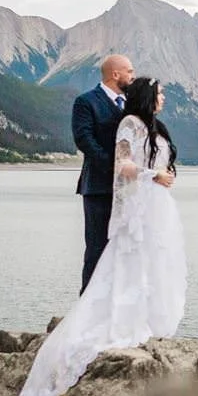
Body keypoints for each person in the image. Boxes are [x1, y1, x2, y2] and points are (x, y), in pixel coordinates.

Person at [19, 76, 185, 396]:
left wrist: (167, 174)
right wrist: (155, 175)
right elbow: (123, 165)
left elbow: (155, 161)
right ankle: (119, 319)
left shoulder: (156, 126)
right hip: (141, 205)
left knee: (158, 259)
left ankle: (150, 317)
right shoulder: (129, 123)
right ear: (148, 95)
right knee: (129, 260)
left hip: (158, 204)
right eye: (161, 93)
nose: (164, 98)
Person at [71, 54, 135, 292]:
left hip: (127, 188)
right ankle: (87, 306)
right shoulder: (86, 102)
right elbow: (84, 140)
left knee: (125, 247)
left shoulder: (131, 103)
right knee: (97, 248)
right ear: (115, 74)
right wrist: (114, 167)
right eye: (129, 71)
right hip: (98, 187)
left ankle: (117, 305)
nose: (133, 76)